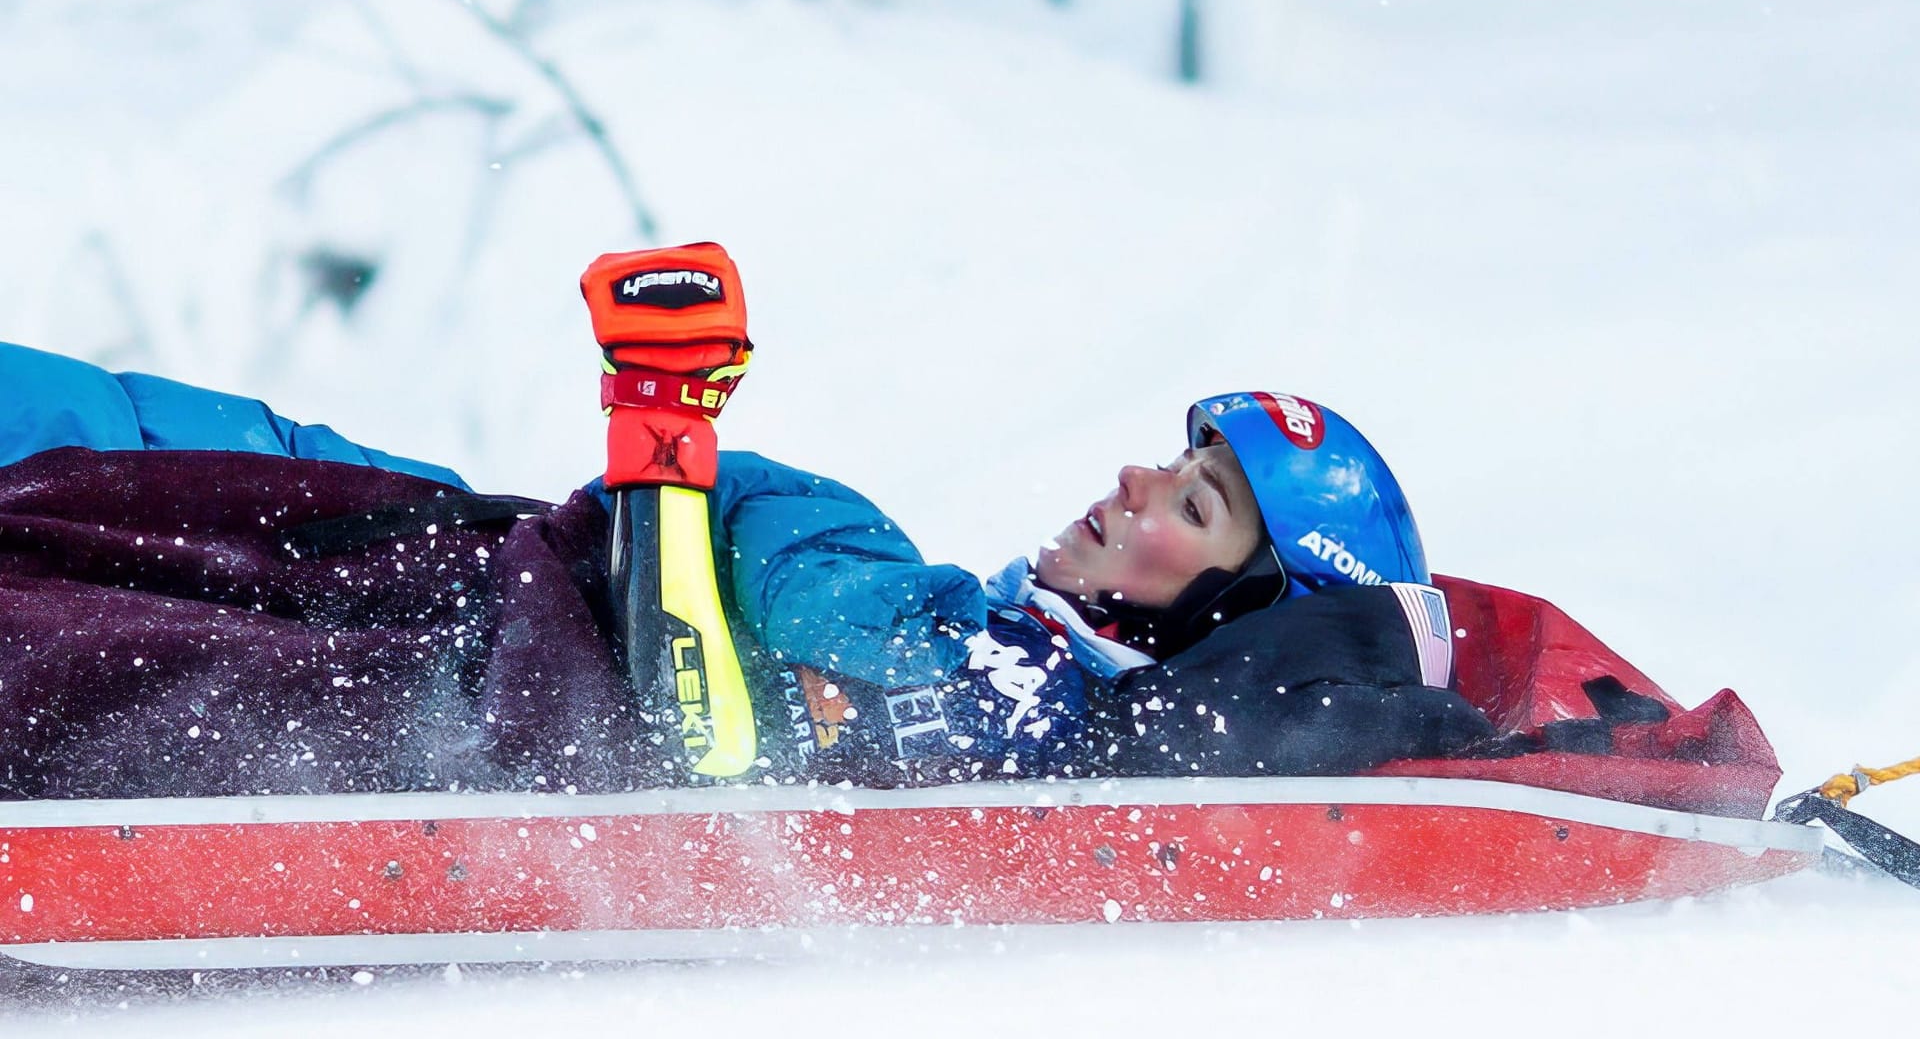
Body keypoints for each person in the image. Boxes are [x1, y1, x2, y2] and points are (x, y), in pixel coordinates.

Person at [0, 306, 1487, 799]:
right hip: (489, 575)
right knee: (133, 464)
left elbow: (1327, 707)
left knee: (81, 609)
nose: (1137, 478)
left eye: (1198, 501)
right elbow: (764, 510)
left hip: (447, 684)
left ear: (1234, 609)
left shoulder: (1058, 727)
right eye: (1177, 455)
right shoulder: (950, 615)